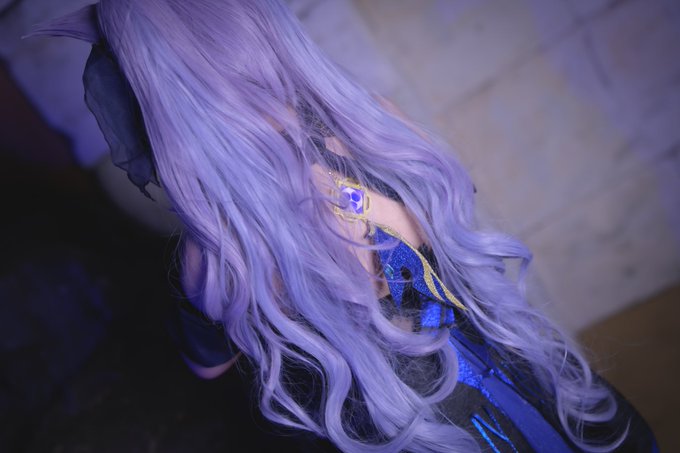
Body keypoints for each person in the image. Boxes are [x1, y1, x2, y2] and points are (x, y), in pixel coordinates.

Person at [29, 1, 658, 451]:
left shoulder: (212, 255)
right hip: (526, 394)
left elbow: (208, 368)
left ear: (162, 106)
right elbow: (450, 209)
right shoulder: (375, 128)